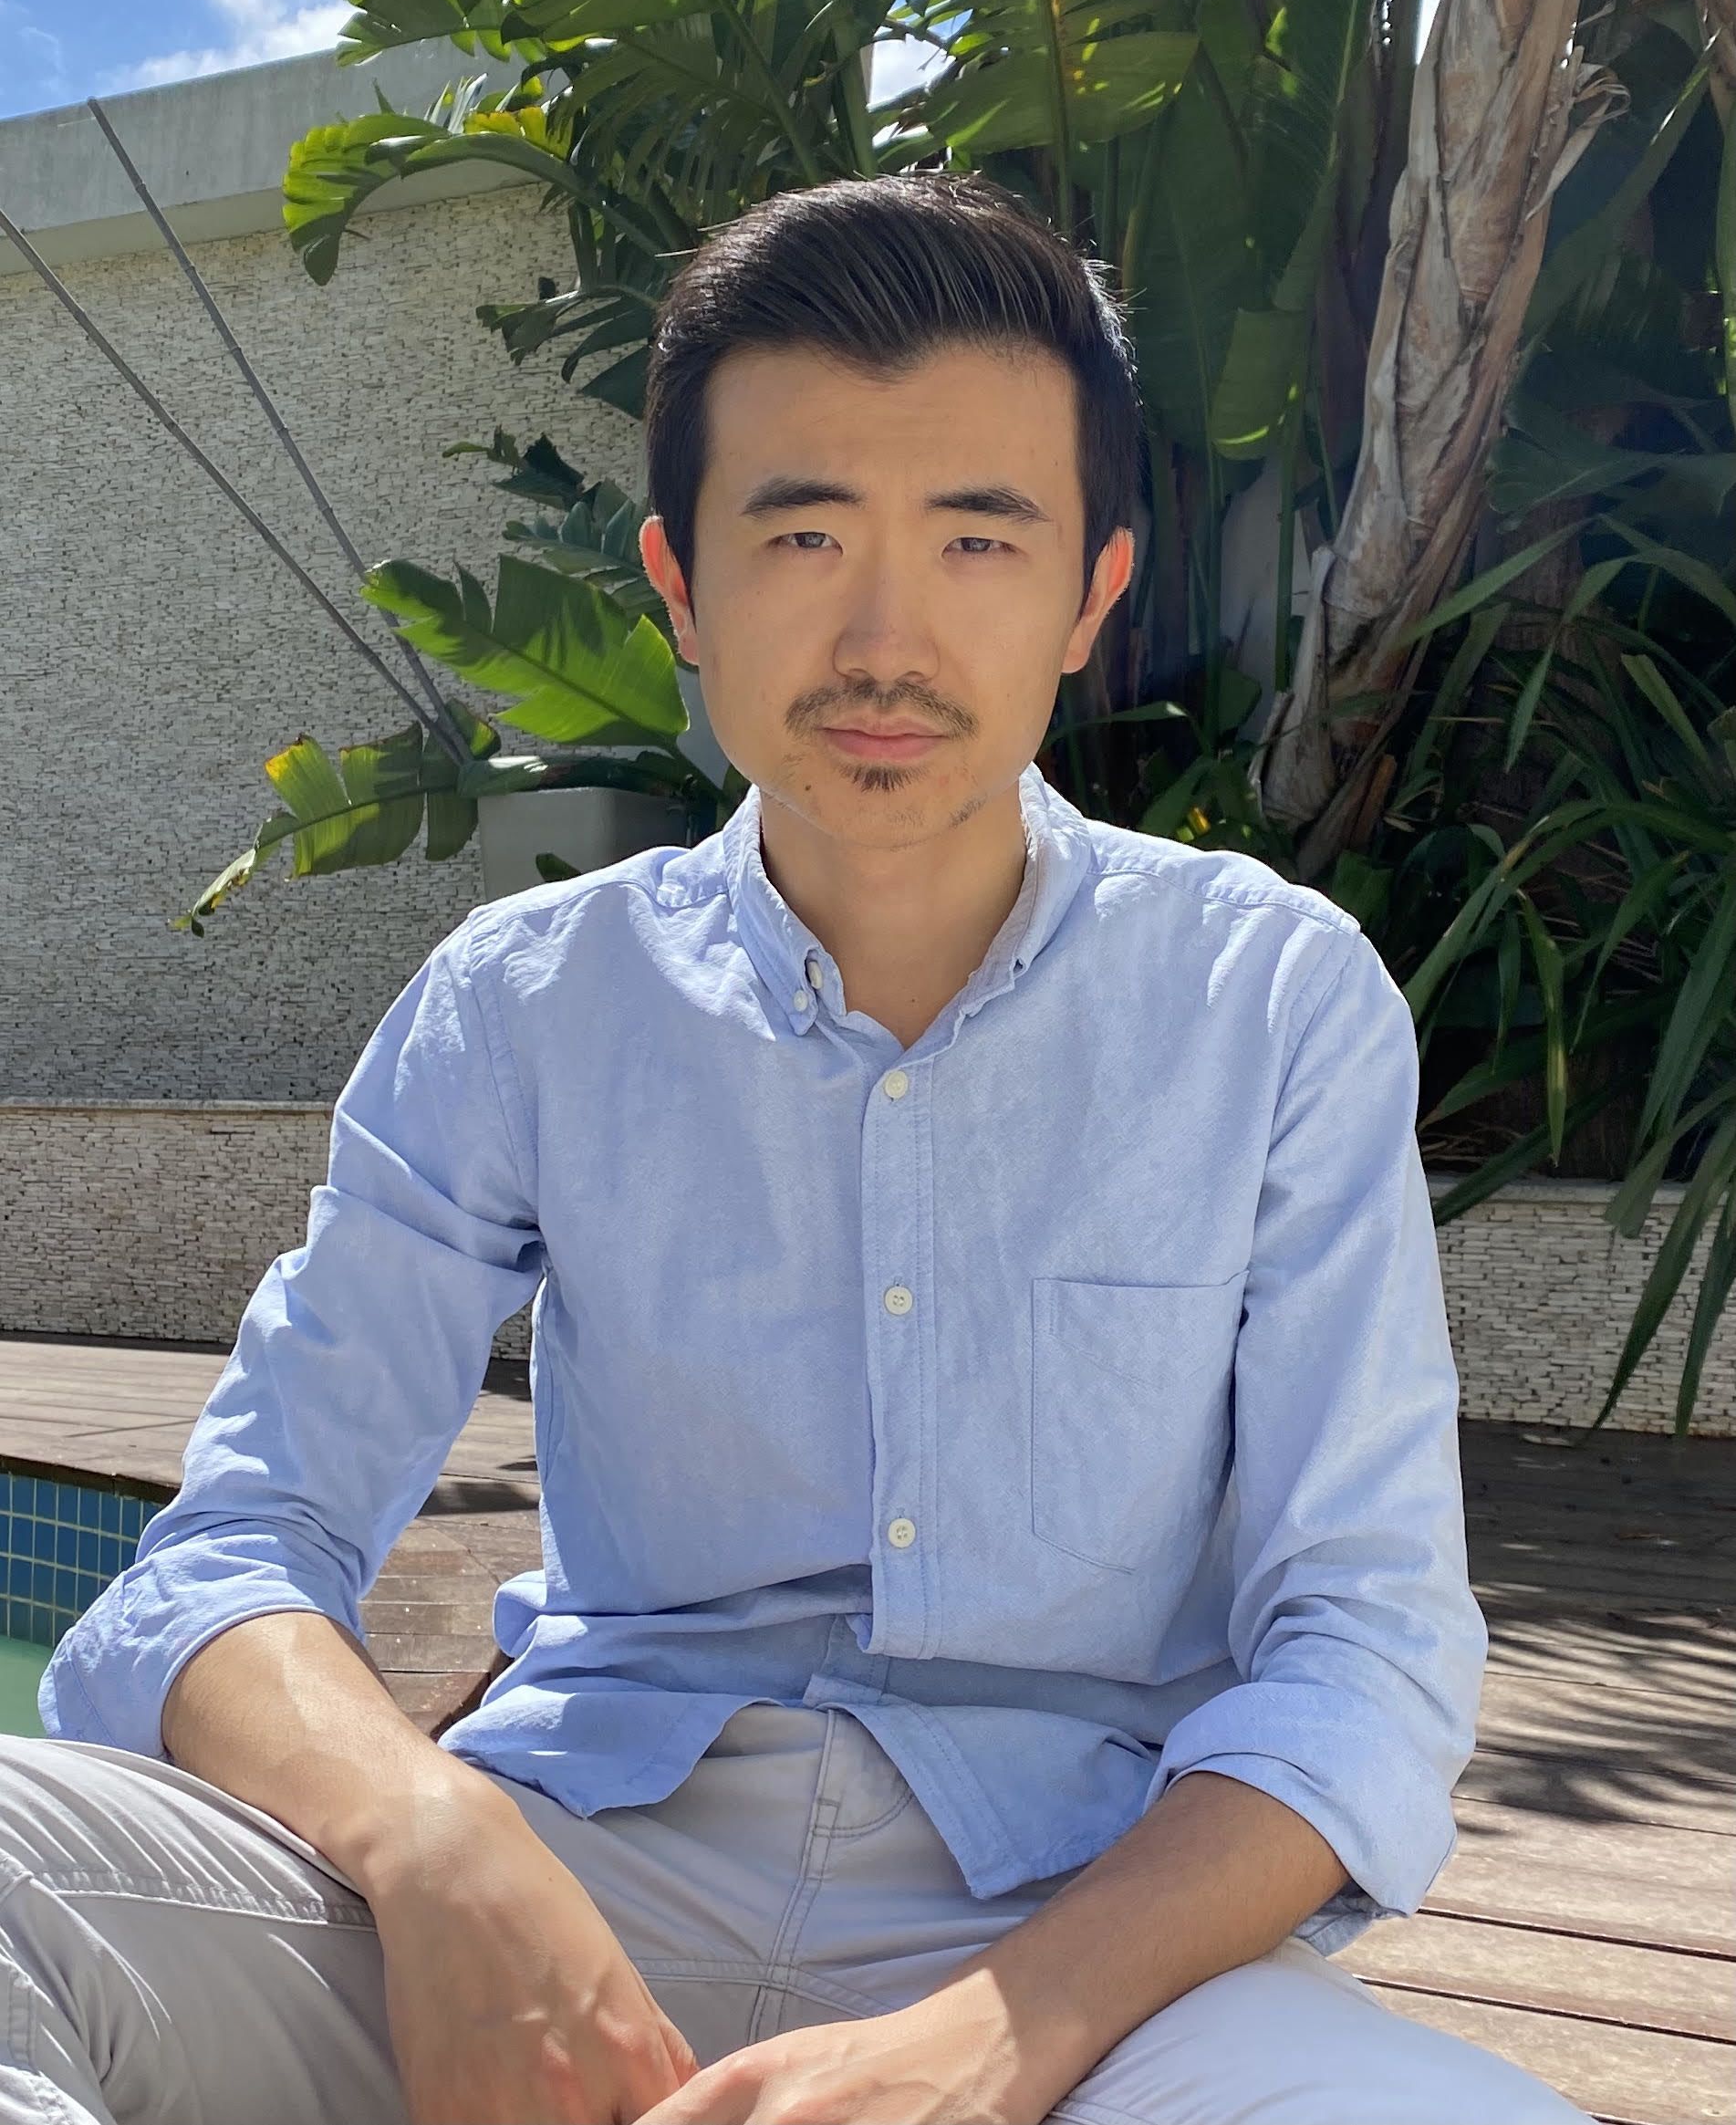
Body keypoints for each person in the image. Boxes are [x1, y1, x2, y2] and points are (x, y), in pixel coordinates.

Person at [0, 171, 1592, 2125]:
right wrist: (429, 1839)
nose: (883, 637)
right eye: (804, 533)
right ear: (681, 587)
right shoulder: (526, 1002)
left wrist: (995, 2039)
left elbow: (1361, 1650)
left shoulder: (1266, 1000)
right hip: (571, 1875)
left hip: (1077, 1937)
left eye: (978, 537)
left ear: (1093, 594)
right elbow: (238, 1547)